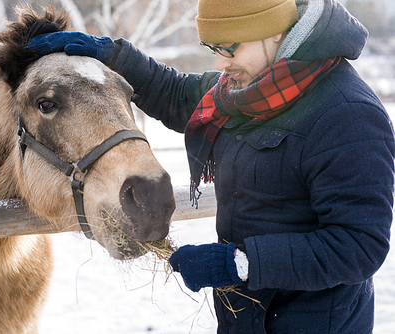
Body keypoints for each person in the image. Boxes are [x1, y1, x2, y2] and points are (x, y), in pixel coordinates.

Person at [27, 0, 395, 332]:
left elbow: (358, 246)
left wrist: (240, 264)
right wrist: (114, 55)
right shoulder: (249, 91)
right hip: (244, 319)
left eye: (229, 48)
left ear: (274, 32)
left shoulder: (348, 116)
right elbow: (175, 92)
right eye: (213, 49)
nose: (220, 64)